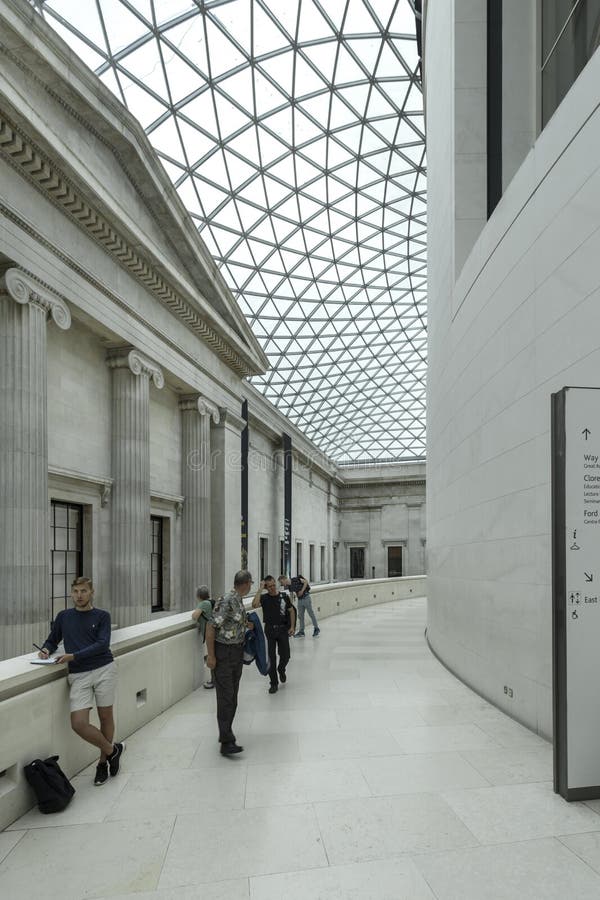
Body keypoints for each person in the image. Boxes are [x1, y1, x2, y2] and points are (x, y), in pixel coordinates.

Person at [38, 576, 125, 786]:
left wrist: (73, 656)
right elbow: (53, 638)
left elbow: (103, 644)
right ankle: (113, 750)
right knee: (78, 723)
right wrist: (46, 649)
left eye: (83, 591)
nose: (79, 596)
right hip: (78, 675)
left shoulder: (102, 616)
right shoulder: (64, 616)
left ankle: (102, 763)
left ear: (91, 592)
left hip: (104, 668)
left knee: (105, 717)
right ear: (71, 593)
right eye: (76, 591)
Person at [205, 570, 253, 756]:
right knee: (226, 697)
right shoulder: (226, 600)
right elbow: (211, 626)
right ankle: (226, 741)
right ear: (246, 583)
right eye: (250, 583)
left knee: (232, 696)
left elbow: (232, 623)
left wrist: (248, 625)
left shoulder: (238, 600)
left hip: (236, 652)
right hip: (224, 653)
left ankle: (227, 733)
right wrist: (211, 656)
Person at [252, 575, 296, 694]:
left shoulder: (284, 596)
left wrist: (292, 626)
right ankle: (274, 683)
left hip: (282, 629)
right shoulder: (264, 598)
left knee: (286, 655)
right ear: (266, 587)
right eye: (269, 586)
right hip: (270, 630)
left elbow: (291, 611)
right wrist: (260, 589)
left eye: (273, 585)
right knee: (271, 657)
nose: (272, 588)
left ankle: (281, 669)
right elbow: (254, 605)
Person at [191, 584, 215, 689]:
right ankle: (216, 680)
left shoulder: (204, 603)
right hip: (217, 634)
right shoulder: (212, 602)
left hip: (211, 635)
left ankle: (213, 681)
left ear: (198, 596)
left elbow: (194, 616)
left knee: (212, 656)